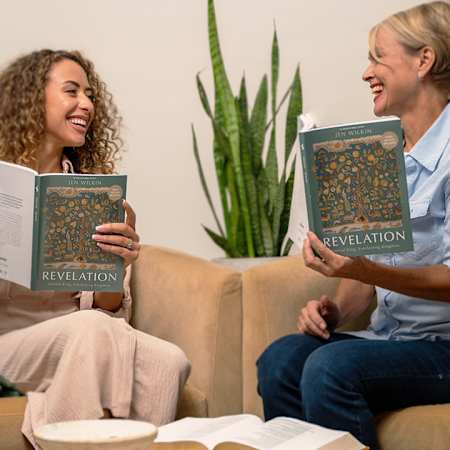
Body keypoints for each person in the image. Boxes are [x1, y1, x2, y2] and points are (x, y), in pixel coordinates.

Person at [256, 2, 450, 449]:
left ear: (424, 60)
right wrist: (336, 310)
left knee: (330, 368)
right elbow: (371, 267)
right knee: (280, 360)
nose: (366, 72)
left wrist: (364, 269)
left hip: (442, 346)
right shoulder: (379, 157)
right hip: (392, 338)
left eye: (377, 57)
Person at [0, 49, 190, 448]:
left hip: (84, 339)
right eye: (72, 91)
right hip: (9, 346)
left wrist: (116, 264)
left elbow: (107, 310)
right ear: (32, 99)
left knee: (169, 360)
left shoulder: (94, 193)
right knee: (91, 331)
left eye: (89, 94)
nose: (86, 104)